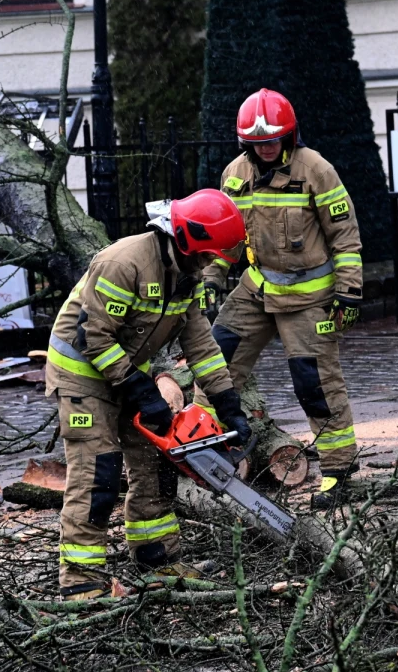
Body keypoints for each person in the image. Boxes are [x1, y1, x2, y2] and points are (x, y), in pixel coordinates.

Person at [44, 190, 253, 601]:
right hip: (81, 374)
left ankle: (158, 559)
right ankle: (82, 581)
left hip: (124, 369)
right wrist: (142, 391)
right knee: (98, 471)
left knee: (156, 464)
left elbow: (200, 344)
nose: (210, 263)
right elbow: (93, 337)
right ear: (188, 240)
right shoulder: (124, 263)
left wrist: (229, 404)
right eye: (208, 254)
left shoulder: (186, 274)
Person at [197, 88, 363, 510]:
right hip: (257, 289)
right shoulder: (236, 173)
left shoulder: (316, 170)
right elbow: (226, 237)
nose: (266, 148)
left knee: (315, 383)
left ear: (289, 136)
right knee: (215, 362)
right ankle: (201, 454)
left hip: (310, 298)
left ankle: (339, 471)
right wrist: (212, 278)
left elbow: (345, 237)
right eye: (258, 143)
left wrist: (348, 293)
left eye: (273, 140)